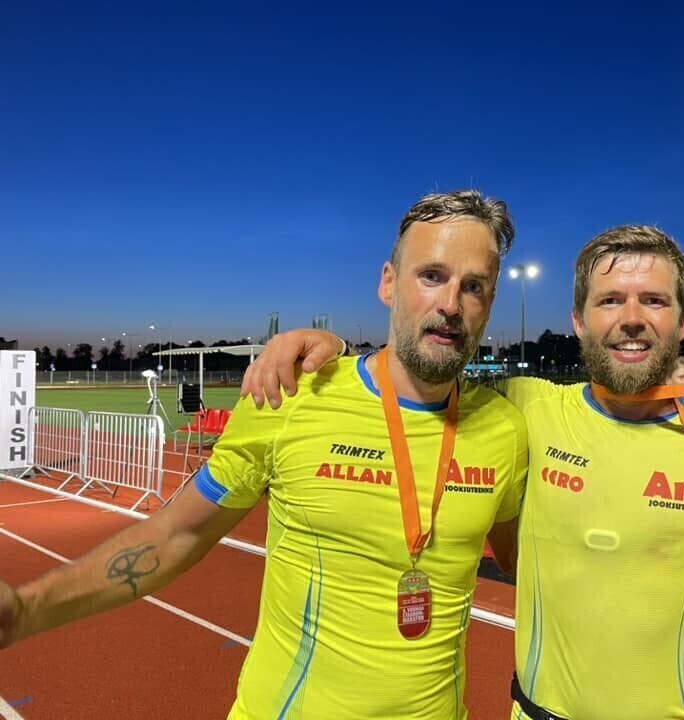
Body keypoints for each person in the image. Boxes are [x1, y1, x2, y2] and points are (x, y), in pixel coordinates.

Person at [242, 225, 684, 720]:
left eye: (654, 300)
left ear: (682, 321)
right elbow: (418, 371)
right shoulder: (523, 411)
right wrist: (330, 353)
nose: (632, 319)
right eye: (610, 300)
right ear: (579, 321)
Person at [0, 190, 529, 720]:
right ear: (388, 282)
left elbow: (531, 564)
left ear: (490, 303)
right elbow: (178, 534)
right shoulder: (293, 395)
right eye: (431, 275)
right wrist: (27, 610)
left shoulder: (504, 430)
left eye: (474, 286)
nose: (451, 304)